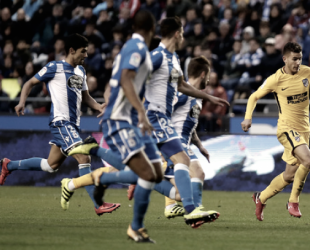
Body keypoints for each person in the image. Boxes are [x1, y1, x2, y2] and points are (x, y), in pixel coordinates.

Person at [68, 10, 162, 243]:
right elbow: (125, 79)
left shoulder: (131, 50)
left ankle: (102, 178)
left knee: (157, 172)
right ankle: (136, 228)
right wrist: (141, 111)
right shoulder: (137, 48)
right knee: (147, 174)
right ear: (152, 29)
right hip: (122, 121)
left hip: (127, 118)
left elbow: (114, 82)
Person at [0, 34, 120, 216]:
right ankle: (98, 204)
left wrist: (98, 106)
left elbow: (86, 97)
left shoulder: (81, 71)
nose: (86, 55)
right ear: (72, 50)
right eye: (83, 51)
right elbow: (29, 83)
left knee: (51, 165)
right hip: (61, 123)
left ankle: (8, 165)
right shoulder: (54, 67)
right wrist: (22, 102)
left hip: (73, 125)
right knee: (84, 158)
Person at [241, 42, 310, 221]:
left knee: (290, 175)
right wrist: (247, 117)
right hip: (286, 129)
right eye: (294, 59)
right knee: (308, 160)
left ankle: (261, 197)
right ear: (285, 59)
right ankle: (293, 201)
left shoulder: (308, 73)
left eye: (300, 59)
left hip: (303, 130)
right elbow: (254, 96)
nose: (298, 62)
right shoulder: (275, 79)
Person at [143, 17, 228, 227]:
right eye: (182, 32)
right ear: (177, 34)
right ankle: (188, 208)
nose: (183, 36)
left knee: (186, 166)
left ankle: (190, 209)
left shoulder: (174, 59)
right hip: (155, 118)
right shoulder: (156, 56)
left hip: (166, 125)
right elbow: (132, 77)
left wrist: (208, 97)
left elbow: (180, 84)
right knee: (182, 165)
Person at [129, 56, 214, 223]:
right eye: (209, 76)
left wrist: (200, 145)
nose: (210, 80)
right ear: (203, 74)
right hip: (173, 140)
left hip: (184, 141)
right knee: (194, 175)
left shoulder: (196, 97)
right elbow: (161, 112)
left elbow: (190, 125)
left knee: (197, 175)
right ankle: (194, 209)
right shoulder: (183, 94)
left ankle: (193, 208)